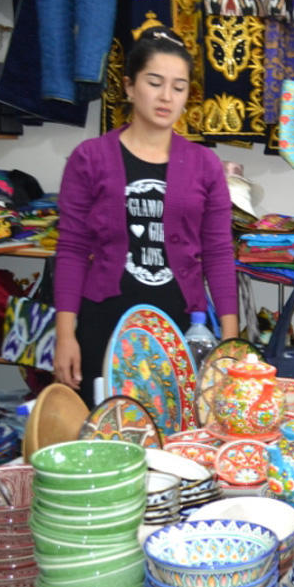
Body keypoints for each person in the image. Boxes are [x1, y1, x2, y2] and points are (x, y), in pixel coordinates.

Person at [53, 26, 239, 407]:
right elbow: (71, 249)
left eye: (179, 86)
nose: (166, 97)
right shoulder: (89, 158)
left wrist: (229, 342)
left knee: (179, 437)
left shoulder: (205, 166)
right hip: (105, 322)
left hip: (184, 324)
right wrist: (64, 334)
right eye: (155, 82)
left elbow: (218, 253)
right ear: (129, 86)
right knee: (108, 432)